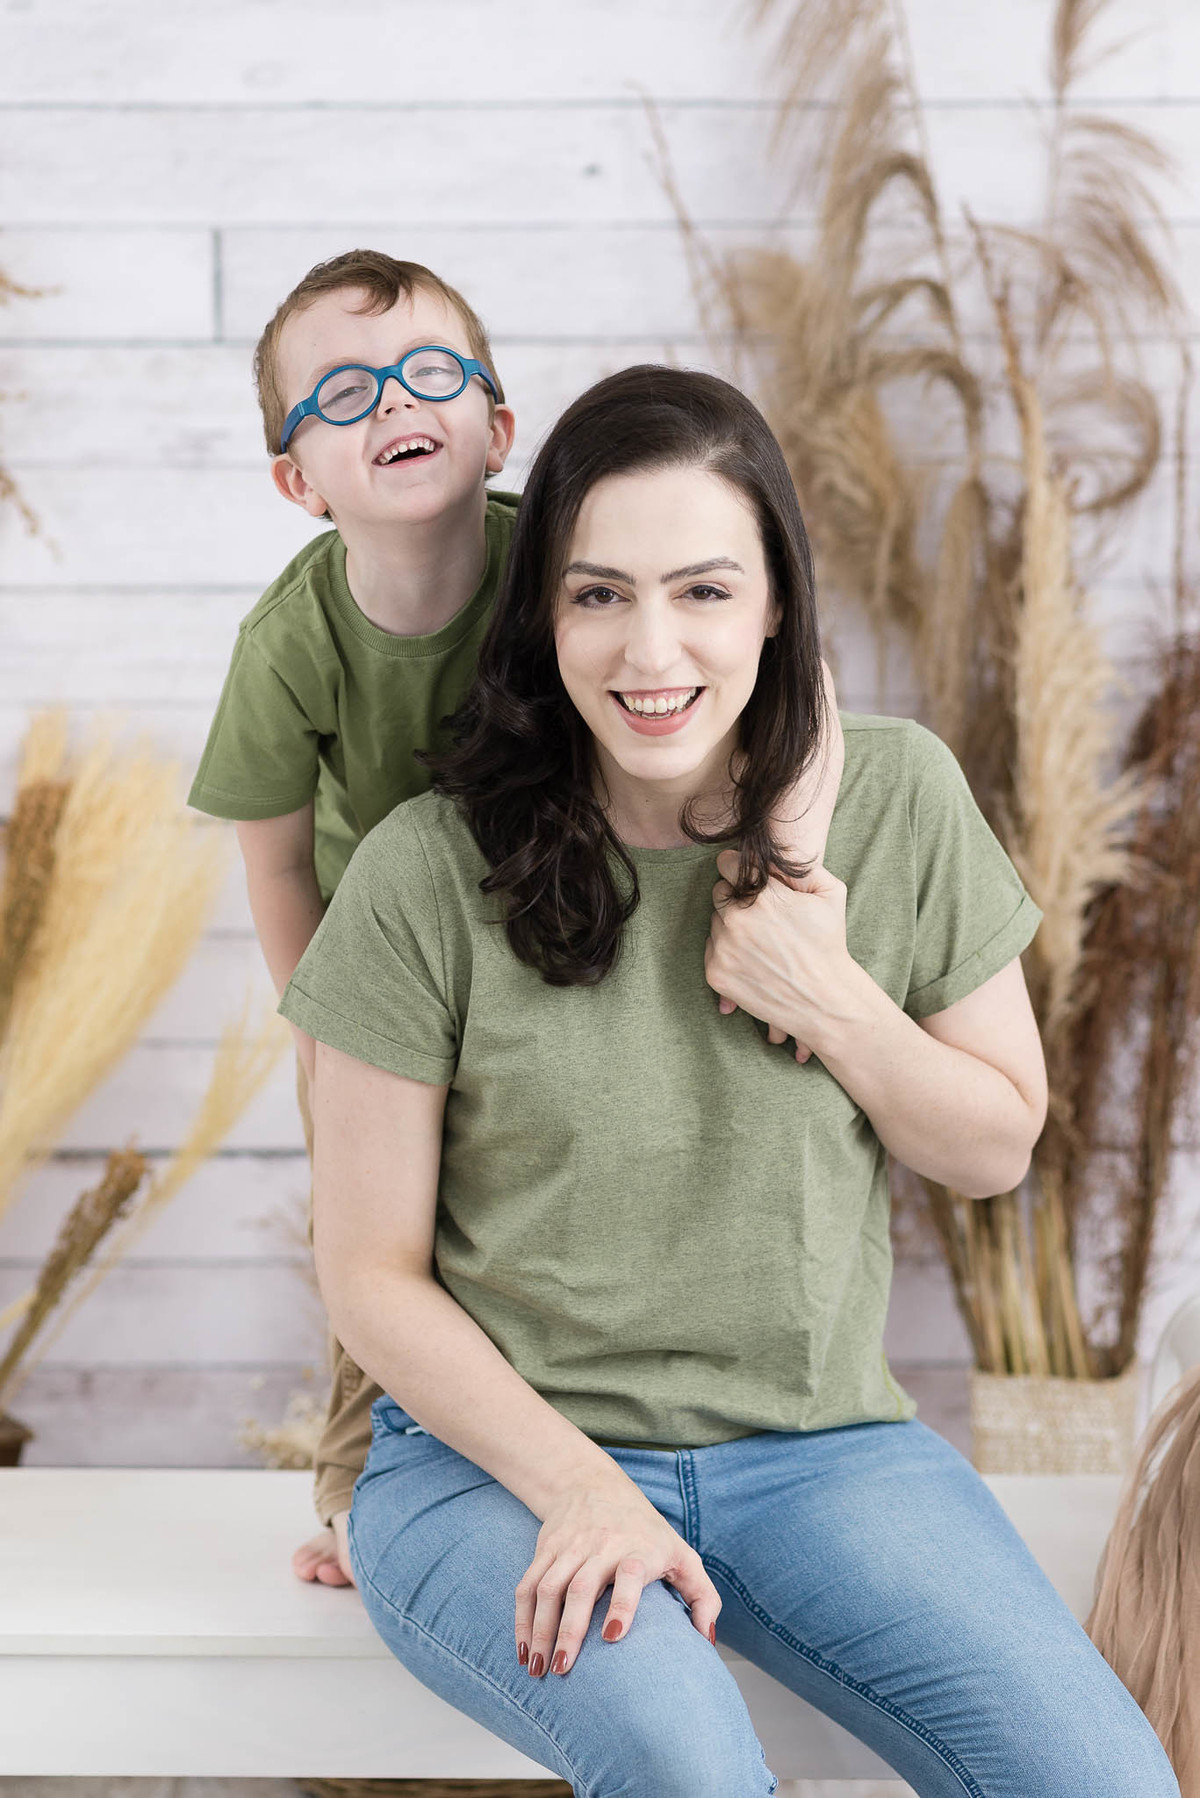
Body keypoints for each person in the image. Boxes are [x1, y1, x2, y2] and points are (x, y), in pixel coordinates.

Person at [280, 363, 1179, 1797]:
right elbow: (368, 1274)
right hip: (495, 1467)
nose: (652, 648)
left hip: (825, 1453)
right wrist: (581, 1485)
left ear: (775, 603)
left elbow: (995, 1143)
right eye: (598, 594)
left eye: (703, 589)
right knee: (685, 1765)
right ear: (544, 616)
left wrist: (827, 993)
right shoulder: (425, 870)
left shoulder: (900, 797)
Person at [189, 254, 847, 1585]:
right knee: (369, 1235)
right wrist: (319, 1028)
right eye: (342, 392)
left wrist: (787, 863)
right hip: (378, 963)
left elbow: (806, 682)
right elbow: (276, 862)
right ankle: (357, 1480)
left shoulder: (553, 567)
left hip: (538, 910)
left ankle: (578, 1436)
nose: (393, 400)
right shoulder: (290, 644)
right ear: (298, 481)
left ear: (497, 427)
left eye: (429, 371)